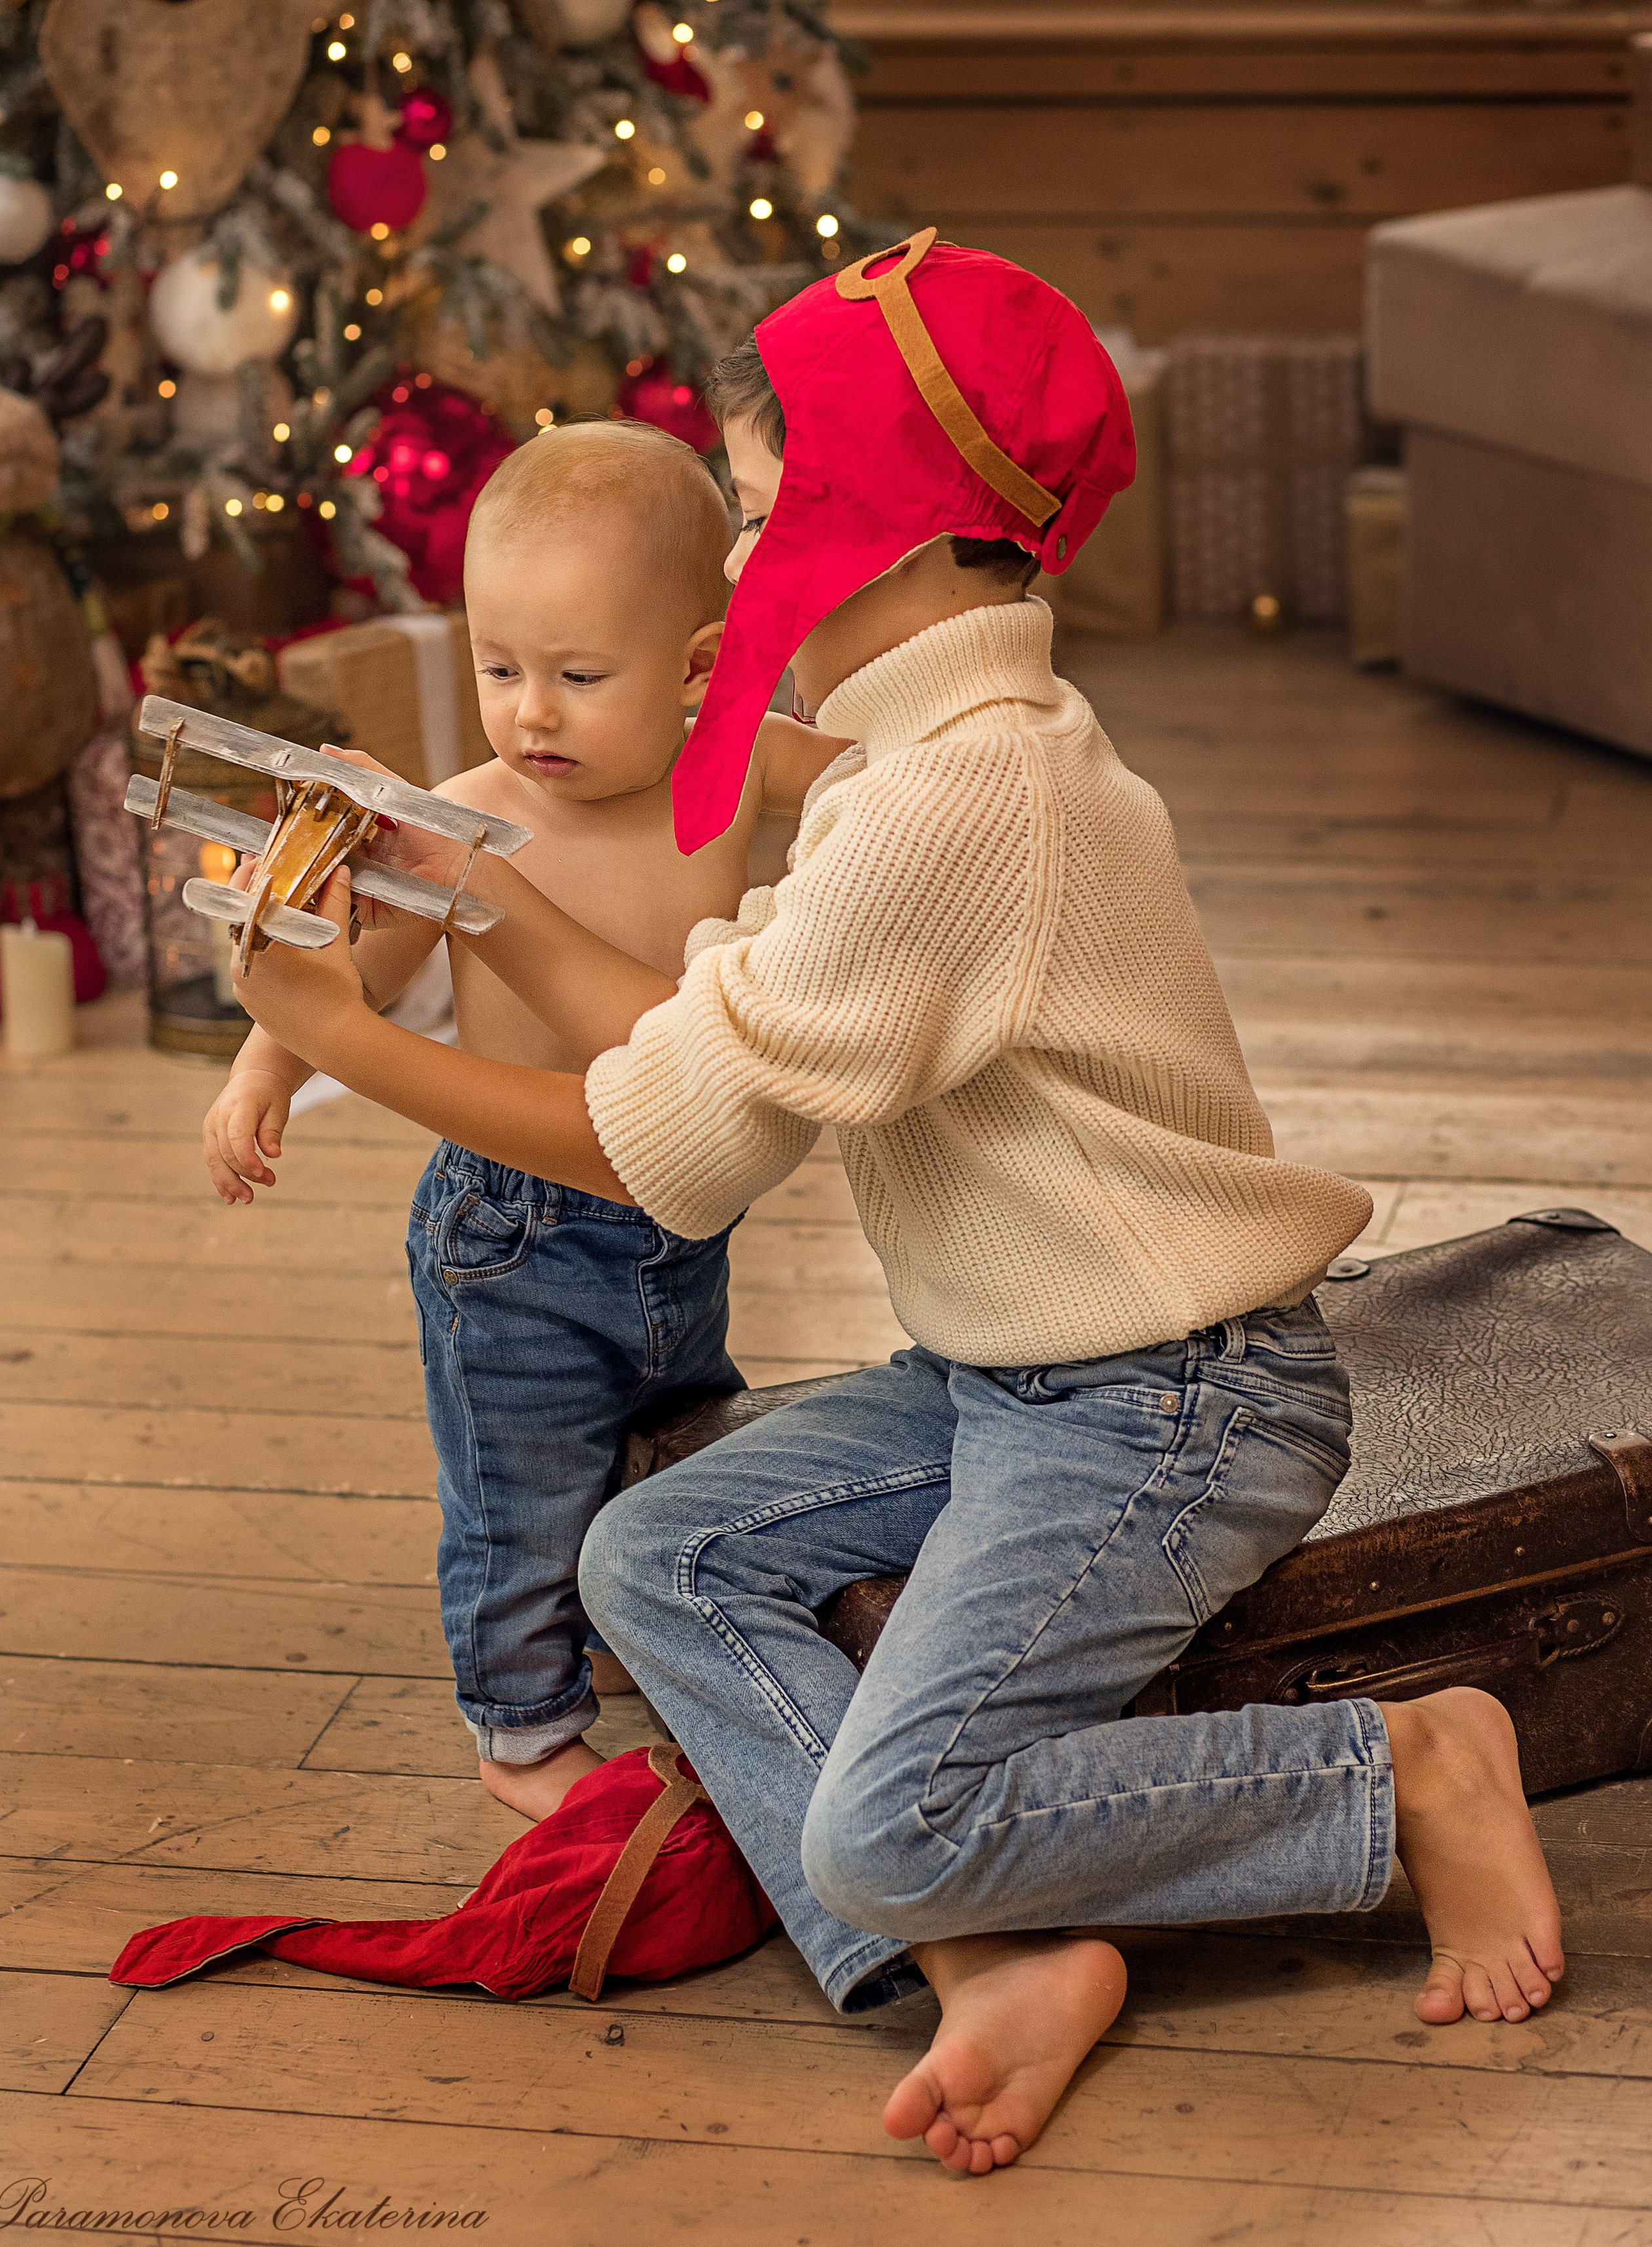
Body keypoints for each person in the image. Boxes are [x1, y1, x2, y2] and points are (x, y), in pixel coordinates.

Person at [226, 232, 1565, 2177]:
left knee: (888, 1810)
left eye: (766, 519)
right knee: (648, 1558)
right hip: (1012, 1371)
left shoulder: (956, 804)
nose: (743, 570)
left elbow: (658, 1146)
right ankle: (991, 1954)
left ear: (887, 537)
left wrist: (338, 1036)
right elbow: (703, 1037)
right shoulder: (916, 757)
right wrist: (476, 868)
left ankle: (1404, 1765)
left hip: (1172, 1398)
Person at [201, 418, 844, 1822]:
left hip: (678, 1213)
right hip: (514, 1235)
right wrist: (264, 1069)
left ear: (694, 667)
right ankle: (519, 1721)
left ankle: (617, 1621)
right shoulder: (463, 816)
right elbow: (344, 980)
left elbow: (881, 777)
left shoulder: (731, 759)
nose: (529, 713)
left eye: (576, 675)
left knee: (671, 1427)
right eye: (499, 669)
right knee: (518, 1481)